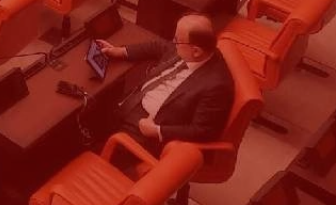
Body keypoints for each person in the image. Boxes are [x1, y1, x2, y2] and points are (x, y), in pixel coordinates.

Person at [94, 14, 235, 155]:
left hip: (147, 130)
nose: (173, 43)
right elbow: (158, 46)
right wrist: (120, 51)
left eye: (177, 41)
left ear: (196, 51)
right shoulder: (192, 49)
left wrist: (158, 131)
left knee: (95, 151)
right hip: (132, 102)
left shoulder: (217, 86)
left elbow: (202, 131)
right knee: (91, 115)